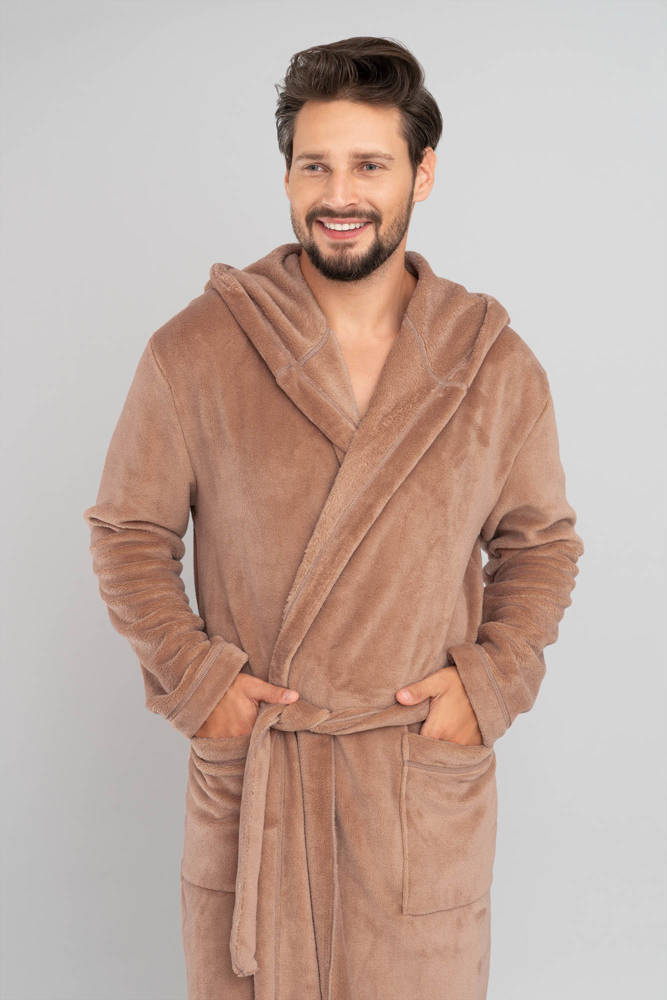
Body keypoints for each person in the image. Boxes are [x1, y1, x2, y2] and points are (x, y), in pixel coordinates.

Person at [83, 35, 584, 1000]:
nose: (338, 194)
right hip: (259, 784)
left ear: (421, 175)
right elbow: (128, 533)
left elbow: (541, 545)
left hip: (411, 789)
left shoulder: (489, 362)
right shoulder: (197, 350)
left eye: (368, 165)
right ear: (286, 177)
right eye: (314, 165)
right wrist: (199, 682)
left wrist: (487, 684)